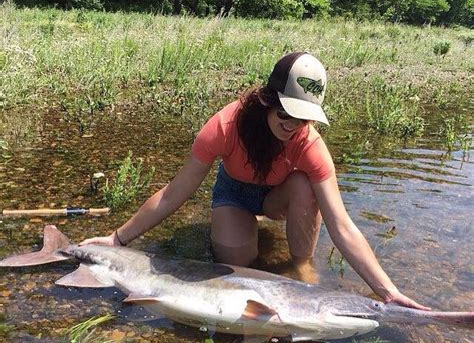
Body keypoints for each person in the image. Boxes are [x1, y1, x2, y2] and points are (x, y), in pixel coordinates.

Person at [81, 51, 430, 311]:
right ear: (269, 99)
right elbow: (175, 193)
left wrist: (387, 290)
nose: (292, 125)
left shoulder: (310, 146)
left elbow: (342, 226)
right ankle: (242, 235)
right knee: (240, 263)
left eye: (303, 118)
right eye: (285, 113)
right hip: (233, 192)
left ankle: (301, 264)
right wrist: (117, 237)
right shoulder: (224, 127)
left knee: (305, 186)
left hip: (276, 196)